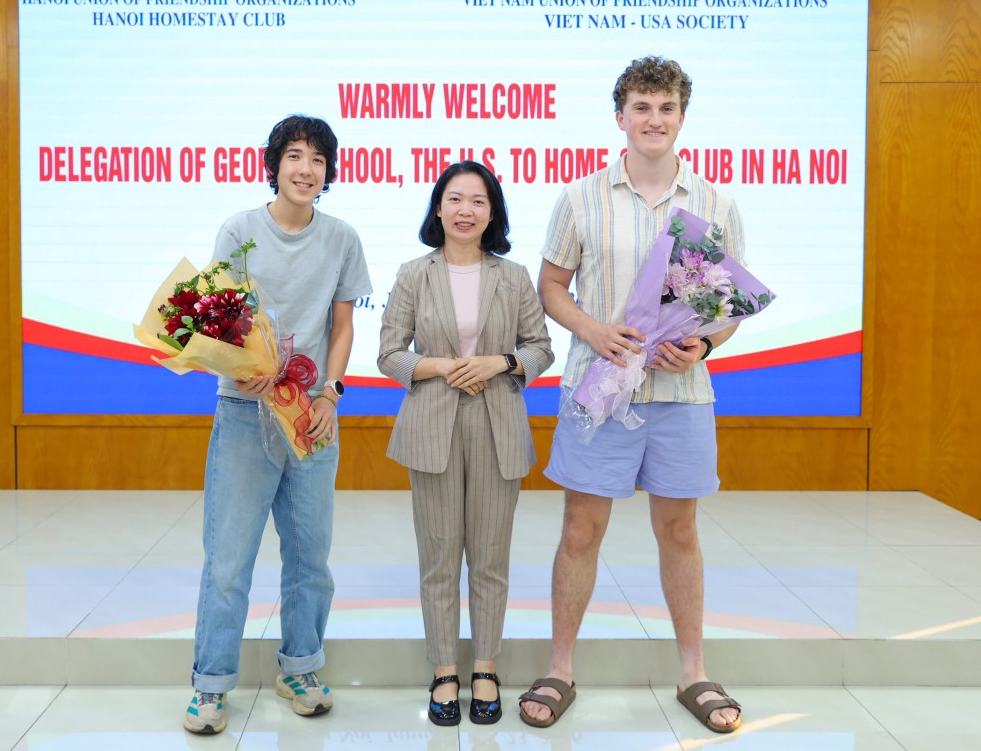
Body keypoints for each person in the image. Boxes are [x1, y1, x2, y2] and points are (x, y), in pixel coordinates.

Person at [518, 57, 744, 733]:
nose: (654, 120)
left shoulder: (714, 203)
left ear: (682, 117)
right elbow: (551, 285)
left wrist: (703, 344)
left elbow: (729, 309)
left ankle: (693, 672)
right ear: (620, 116)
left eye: (666, 107)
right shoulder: (581, 196)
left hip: (682, 393)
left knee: (680, 531)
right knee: (581, 530)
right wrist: (593, 328)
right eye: (641, 107)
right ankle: (560, 669)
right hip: (599, 391)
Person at [184, 115, 372, 735]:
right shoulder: (239, 229)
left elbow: (343, 327)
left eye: (318, 160)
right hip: (244, 411)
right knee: (229, 558)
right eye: (295, 156)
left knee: (310, 558)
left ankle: (300, 668)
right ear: (275, 163)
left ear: (329, 172)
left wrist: (332, 394)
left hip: (312, 415)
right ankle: (211, 684)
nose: (305, 169)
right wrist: (238, 369)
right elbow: (215, 319)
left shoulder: (342, 238)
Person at [378, 161, 553, 727]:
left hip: (499, 424)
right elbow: (388, 354)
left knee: (490, 556)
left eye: (479, 201)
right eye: (455, 199)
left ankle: (484, 666)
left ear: (492, 212)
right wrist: (441, 367)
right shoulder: (413, 274)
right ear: (437, 208)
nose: (465, 210)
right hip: (432, 425)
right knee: (438, 557)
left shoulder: (515, 275)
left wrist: (498, 362)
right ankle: (443, 670)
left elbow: (540, 348)